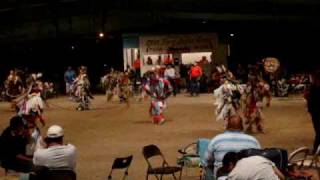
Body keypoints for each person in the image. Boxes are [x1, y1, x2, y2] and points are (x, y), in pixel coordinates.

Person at [306, 71, 320, 152]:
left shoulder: (313, 89)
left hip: (315, 112)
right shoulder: (313, 89)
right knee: (318, 132)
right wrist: (311, 111)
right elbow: (310, 103)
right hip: (316, 114)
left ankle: (316, 149)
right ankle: (316, 150)